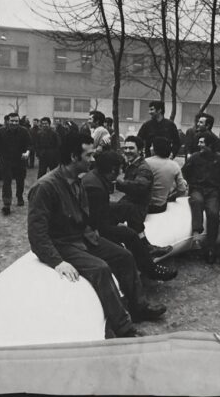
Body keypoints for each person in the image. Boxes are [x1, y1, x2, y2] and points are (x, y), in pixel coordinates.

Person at [27, 128, 165, 339]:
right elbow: (37, 234)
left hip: (83, 238)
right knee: (101, 269)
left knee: (124, 256)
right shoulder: (45, 187)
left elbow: (84, 219)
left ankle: (139, 307)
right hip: (63, 244)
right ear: (73, 157)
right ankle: (124, 328)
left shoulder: (78, 181)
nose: (93, 160)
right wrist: (57, 261)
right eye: (88, 155)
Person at [83, 151, 177, 281]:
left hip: (98, 215)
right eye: (120, 169)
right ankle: (151, 269)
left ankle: (145, 244)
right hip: (93, 227)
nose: (121, 171)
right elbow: (97, 222)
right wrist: (117, 230)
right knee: (130, 234)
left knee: (128, 208)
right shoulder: (96, 188)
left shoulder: (95, 177)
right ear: (112, 170)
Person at [110, 136, 172, 257]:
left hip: (137, 206)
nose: (127, 150)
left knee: (106, 218)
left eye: (131, 148)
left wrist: (118, 182)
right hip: (131, 202)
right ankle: (146, 247)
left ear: (140, 150)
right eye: (125, 147)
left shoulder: (143, 169)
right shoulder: (132, 164)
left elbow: (140, 187)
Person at [182, 133, 220, 263]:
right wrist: (191, 183)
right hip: (197, 189)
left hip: (213, 191)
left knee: (213, 213)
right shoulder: (195, 157)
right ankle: (197, 236)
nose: (199, 145)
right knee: (197, 201)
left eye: (202, 142)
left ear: (210, 145)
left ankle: (211, 247)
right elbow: (184, 171)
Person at [0, 113, 31, 215]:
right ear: (8, 121)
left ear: (19, 121)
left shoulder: (24, 131)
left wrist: (27, 153)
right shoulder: (1, 131)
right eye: (12, 121)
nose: (14, 123)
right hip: (6, 161)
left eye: (16, 121)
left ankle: (19, 196)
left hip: (20, 160)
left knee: (20, 180)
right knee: (6, 182)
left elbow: (29, 145)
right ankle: (7, 204)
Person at [145, 136, 187, 214]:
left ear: (155, 149)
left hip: (143, 206)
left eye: (152, 146)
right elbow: (182, 189)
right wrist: (171, 197)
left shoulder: (145, 162)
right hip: (160, 207)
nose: (150, 148)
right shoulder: (174, 165)